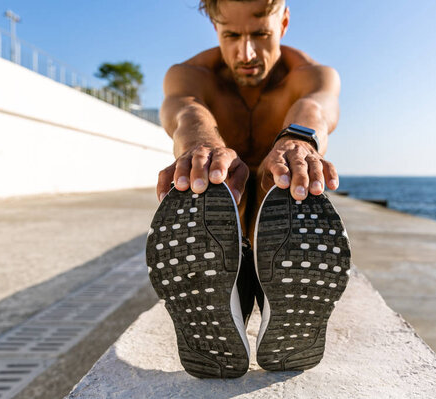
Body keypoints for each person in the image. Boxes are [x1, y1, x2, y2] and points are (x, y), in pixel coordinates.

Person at [146, 0, 351, 379]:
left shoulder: (313, 75)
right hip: (226, 245)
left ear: (284, 21)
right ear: (215, 30)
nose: (247, 53)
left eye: (260, 34)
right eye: (232, 35)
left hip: (279, 241)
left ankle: (267, 291)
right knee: (206, 187)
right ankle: (234, 293)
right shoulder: (190, 75)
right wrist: (200, 147)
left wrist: (298, 142)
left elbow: (317, 107)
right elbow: (184, 111)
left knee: (291, 183)